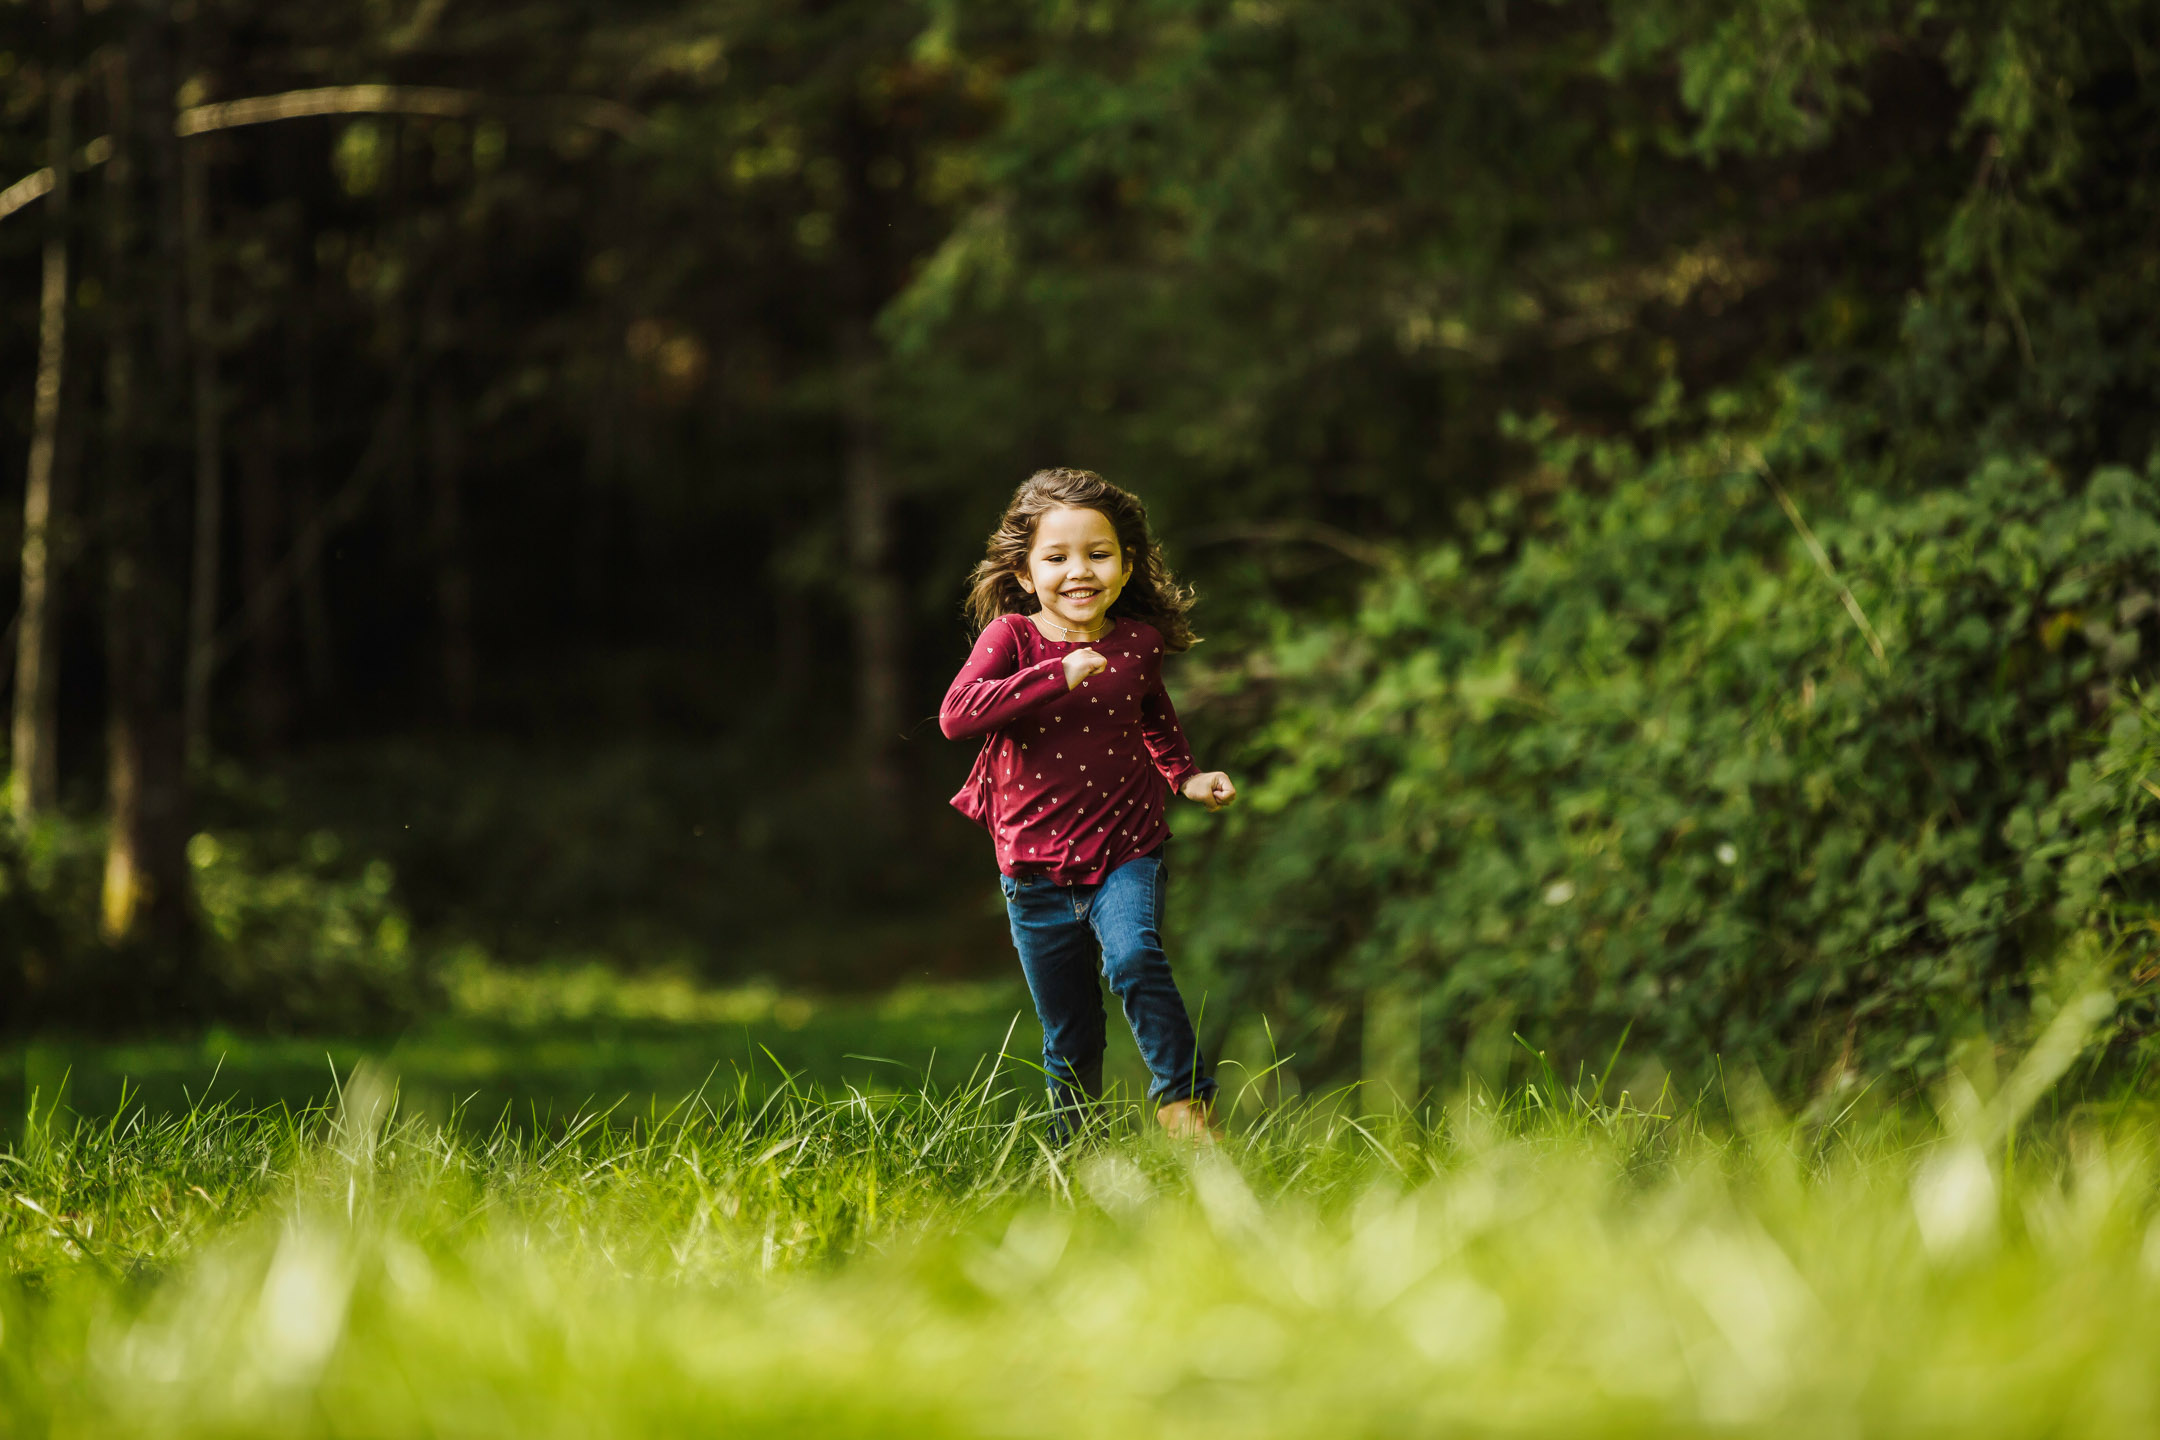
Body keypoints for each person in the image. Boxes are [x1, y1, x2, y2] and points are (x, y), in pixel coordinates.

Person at [939, 468, 1238, 1141]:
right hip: (1032, 872)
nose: (1080, 572)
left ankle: (1184, 1103)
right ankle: (1075, 1161)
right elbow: (957, 716)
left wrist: (1187, 778)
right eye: (1057, 557)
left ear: (1127, 567)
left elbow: (1154, 721)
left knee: (1133, 957)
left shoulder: (1138, 644)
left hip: (1126, 850)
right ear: (1024, 570)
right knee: (1070, 1032)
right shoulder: (1013, 639)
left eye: (1098, 554)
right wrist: (1055, 673)